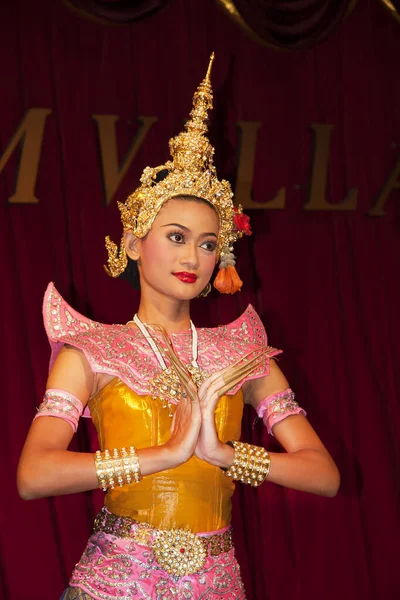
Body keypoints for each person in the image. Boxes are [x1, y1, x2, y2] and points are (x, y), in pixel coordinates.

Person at [17, 54, 340, 600]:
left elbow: (323, 474)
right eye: (175, 236)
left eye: (209, 243)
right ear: (134, 243)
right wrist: (163, 456)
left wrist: (224, 455)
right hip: (114, 586)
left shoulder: (242, 352)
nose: (193, 254)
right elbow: (35, 474)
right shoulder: (92, 351)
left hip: (216, 584)